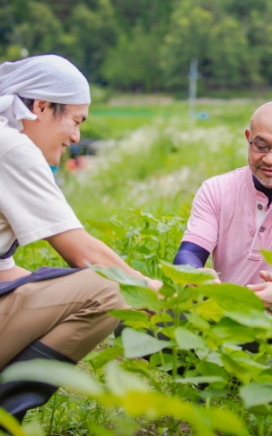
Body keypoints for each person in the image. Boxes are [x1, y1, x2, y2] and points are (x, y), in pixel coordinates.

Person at [0, 54, 161, 423]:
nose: (76, 137)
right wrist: (158, 293)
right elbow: (84, 253)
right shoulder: (12, 147)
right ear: (40, 106)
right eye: (75, 120)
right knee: (108, 290)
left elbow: (5, 271)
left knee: (56, 284)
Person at [174, 100, 272, 304]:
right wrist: (195, 275)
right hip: (223, 315)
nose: (269, 159)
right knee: (137, 316)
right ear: (248, 138)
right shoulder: (217, 190)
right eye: (260, 146)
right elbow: (190, 252)